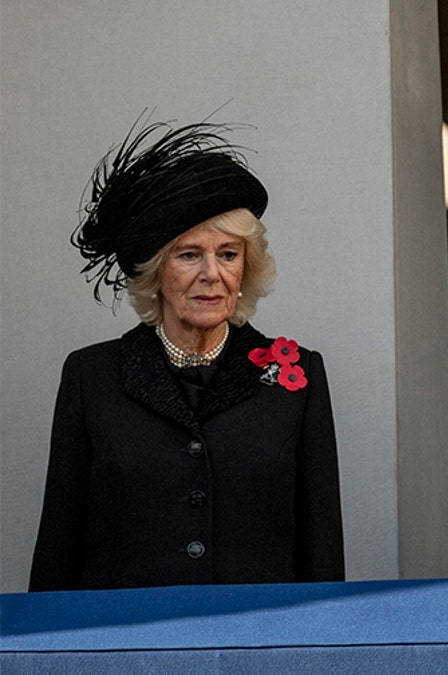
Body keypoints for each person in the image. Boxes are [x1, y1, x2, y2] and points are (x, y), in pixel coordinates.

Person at [29, 116, 345, 590]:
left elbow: (320, 550)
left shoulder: (295, 376)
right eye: (189, 254)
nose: (212, 274)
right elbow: (59, 544)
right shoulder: (90, 376)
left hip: (257, 647)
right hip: (127, 648)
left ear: (246, 268)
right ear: (156, 273)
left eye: (228, 254)